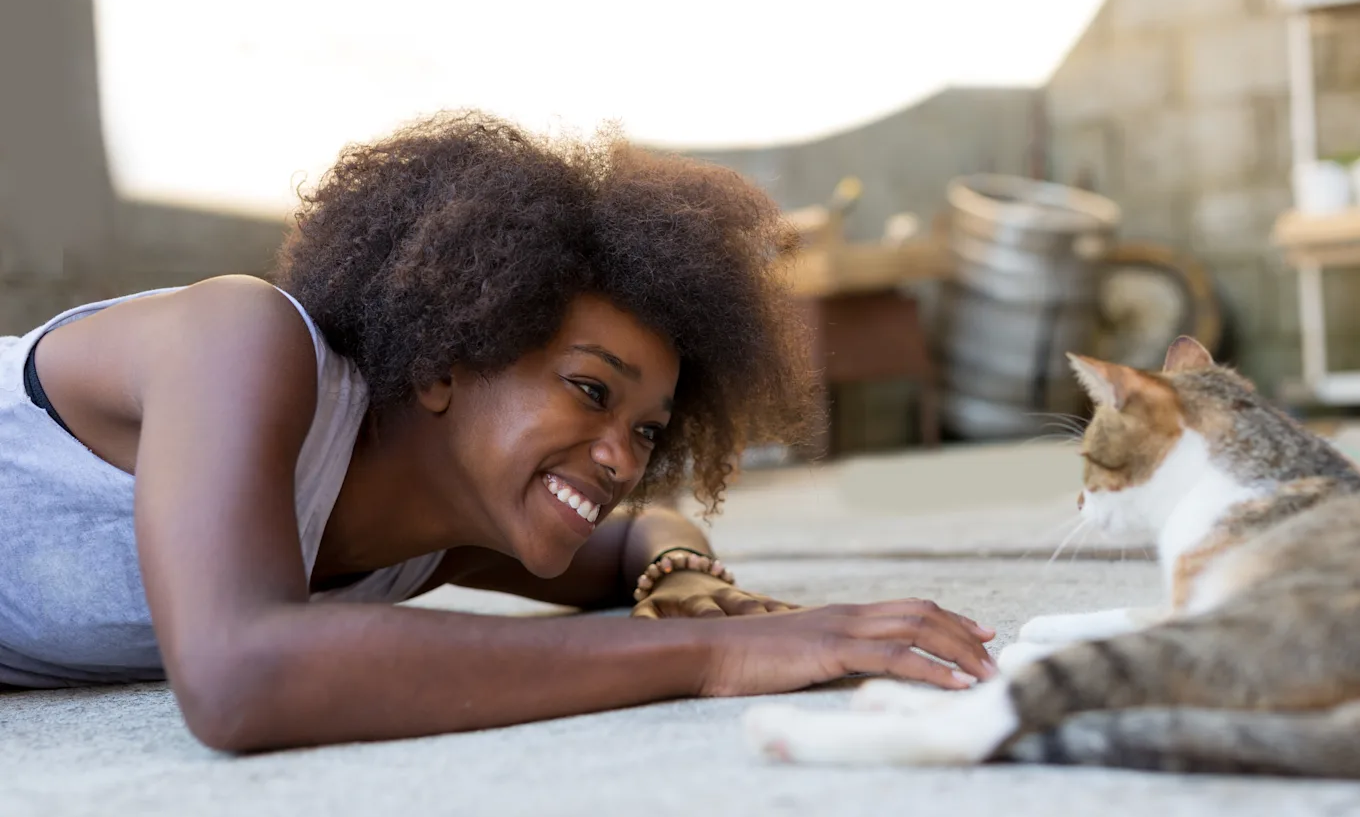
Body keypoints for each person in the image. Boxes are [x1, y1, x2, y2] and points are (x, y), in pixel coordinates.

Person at [0, 112, 996, 751]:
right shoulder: (241, 344)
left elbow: (637, 540)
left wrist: (682, 582)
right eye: (588, 390)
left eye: (648, 429)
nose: (619, 458)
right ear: (446, 358)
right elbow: (236, 677)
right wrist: (709, 660)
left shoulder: (440, 537)